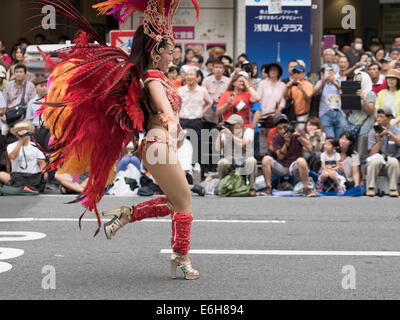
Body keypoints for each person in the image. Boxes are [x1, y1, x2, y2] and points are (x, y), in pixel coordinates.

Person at [39, 0, 201, 280]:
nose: (174, 54)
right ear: (156, 52)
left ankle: (127, 214)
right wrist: (174, 126)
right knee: (185, 204)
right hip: (157, 146)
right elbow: (164, 111)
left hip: (159, 146)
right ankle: (180, 257)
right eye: (170, 49)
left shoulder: (161, 78)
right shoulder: (152, 80)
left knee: (177, 202)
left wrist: (173, 130)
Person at [260, 114, 315, 196]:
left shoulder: (299, 133)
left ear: (289, 126)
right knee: (266, 159)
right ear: (276, 129)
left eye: (285, 127)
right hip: (281, 167)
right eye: (279, 128)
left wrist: (298, 137)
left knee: (301, 160)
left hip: (296, 166)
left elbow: (310, 148)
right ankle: (268, 187)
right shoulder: (276, 137)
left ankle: (306, 189)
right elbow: (280, 156)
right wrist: (287, 143)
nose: (283, 131)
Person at [215, 114, 258, 197]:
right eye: (229, 125)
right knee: (222, 162)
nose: (230, 127)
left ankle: (252, 188)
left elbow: (243, 143)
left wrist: (230, 135)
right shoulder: (226, 133)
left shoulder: (248, 131)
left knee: (251, 161)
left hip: (245, 159)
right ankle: (222, 186)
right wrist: (219, 134)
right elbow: (217, 148)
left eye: (232, 124)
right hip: (230, 159)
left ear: (240, 124)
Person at [178, 68, 212, 170]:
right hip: (183, 121)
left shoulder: (202, 90)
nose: (189, 77)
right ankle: (183, 170)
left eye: (192, 75)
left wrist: (203, 112)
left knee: (197, 146)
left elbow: (209, 102)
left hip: (196, 121)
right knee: (182, 146)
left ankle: (197, 172)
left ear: (197, 78)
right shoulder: (180, 90)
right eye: (187, 75)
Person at [1, 122, 47, 192]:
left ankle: (22, 188)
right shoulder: (11, 146)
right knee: (1, 174)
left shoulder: (35, 145)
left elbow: (42, 162)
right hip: (17, 176)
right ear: (16, 134)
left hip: (33, 176)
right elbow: (12, 157)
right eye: (20, 131)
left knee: (41, 177)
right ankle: (26, 188)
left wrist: (44, 173)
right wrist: (20, 142)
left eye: (25, 131)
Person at [202, 59, 230, 171]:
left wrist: (222, 100)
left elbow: (230, 96)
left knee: (218, 142)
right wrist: (211, 99)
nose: (218, 69)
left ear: (223, 69)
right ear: (212, 69)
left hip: (221, 117)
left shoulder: (228, 81)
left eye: (220, 67)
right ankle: (207, 166)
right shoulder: (206, 81)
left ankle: (216, 166)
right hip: (208, 116)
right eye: (216, 67)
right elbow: (203, 96)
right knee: (207, 141)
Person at [366, 107, 400, 197]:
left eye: (381, 116)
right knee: (374, 161)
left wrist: (389, 134)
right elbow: (372, 153)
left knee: (394, 162)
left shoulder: (396, 130)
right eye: (378, 116)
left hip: (391, 158)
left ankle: (393, 189)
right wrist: (379, 140)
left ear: (389, 119)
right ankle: (370, 188)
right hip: (378, 158)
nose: (378, 119)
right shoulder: (373, 131)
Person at [345, 71, 376, 168]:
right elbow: (346, 110)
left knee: (362, 152)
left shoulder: (370, 93)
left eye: (360, 80)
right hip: (352, 123)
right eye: (356, 80)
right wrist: (344, 97)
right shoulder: (352, 92)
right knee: (350, 149)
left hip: (365, 124)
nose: (358, 82)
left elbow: (370, 111)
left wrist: (363, 98)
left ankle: (363, 174)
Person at [1, 64, 36, 137]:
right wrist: (4, 115)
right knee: (3, 131)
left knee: (22, 132)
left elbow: (31, 103)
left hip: (22, 116)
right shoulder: (8, 85)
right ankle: (5, 147)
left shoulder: (30, 86)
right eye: (16, 72)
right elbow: (4, 101)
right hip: (9, 114)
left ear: (25, 74)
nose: (18, 74)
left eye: (21, 72)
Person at [314, 64, 345, 139]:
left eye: (328, 71)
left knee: (339, 138)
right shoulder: (320, 82)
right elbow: (314, 93)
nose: (327, 73)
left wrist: (334, 82)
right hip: (325, 113)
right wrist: (322, 83)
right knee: (330, 139)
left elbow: (345, 90)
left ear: (333, 72)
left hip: (339, 112)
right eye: (324, 72)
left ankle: (338, 150)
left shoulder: (339, 81)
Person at [284, 64, 313, 130]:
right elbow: (285, 98)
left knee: (300, 135)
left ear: (303, 73)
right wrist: (287, 87)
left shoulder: (308, 85)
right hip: (291, 115)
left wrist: (302, 89)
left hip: (302, 115)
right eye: (295, 72)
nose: (296, 74)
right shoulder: (291, 84)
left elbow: (308, 99)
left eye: (298, 72)